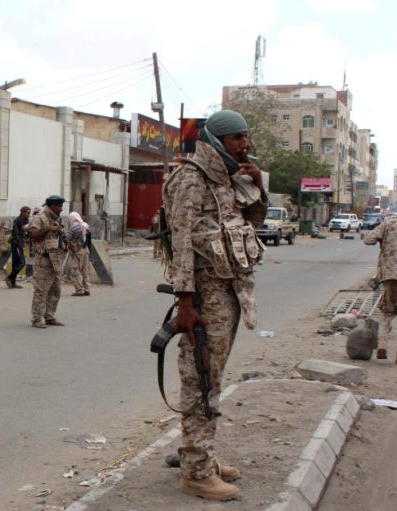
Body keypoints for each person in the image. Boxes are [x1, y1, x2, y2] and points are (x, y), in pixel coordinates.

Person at [162, 110, 268, 501]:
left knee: (213, 378)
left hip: (230, 292)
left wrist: (258, 186)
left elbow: (251, 224)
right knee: (200, 379)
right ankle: (196, 472)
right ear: (218, 139)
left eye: (246, 136)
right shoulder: (191, 178)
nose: (245, 144)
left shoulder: (226, 178)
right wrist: (185, 304)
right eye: (238, 137)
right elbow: (181, 244)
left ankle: (201, 455)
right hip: (204, 295)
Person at [363, 197, 397, 362]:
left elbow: (368, 239)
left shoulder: (388, 224)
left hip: (389, 275)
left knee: (387, 312)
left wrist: (383, 242)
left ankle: (382, 345)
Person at [29, 195, 68, 328]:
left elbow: (60, 235)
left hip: (56, 260)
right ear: (52, 206)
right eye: (59, 206)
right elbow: (34, 235)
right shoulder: (40, 218)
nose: (61, 209)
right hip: (44, 260)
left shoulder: (57, 219)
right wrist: (48, 229)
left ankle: (49, 316)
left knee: (55, 290)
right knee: (41, 291)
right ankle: (37, 319)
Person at [6, 206, 31, 289]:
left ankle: (13, 283)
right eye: (28, 213)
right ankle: (9, 278)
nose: (29, 214)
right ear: (23, 212)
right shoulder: (19, 220)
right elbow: (24, 229)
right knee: (21, 262)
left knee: (16, 263)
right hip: (15, 243)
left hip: (19, 243)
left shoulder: (26, 220)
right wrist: (33, 226)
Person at [66, 211, 91, 296]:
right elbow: (89, 239)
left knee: (75, 270)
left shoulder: (73, 227)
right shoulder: (86, 226)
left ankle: (79, 290)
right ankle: (86, 288)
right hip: (86, 250)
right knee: (85, 270)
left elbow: (67, 239)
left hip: (76, 251)